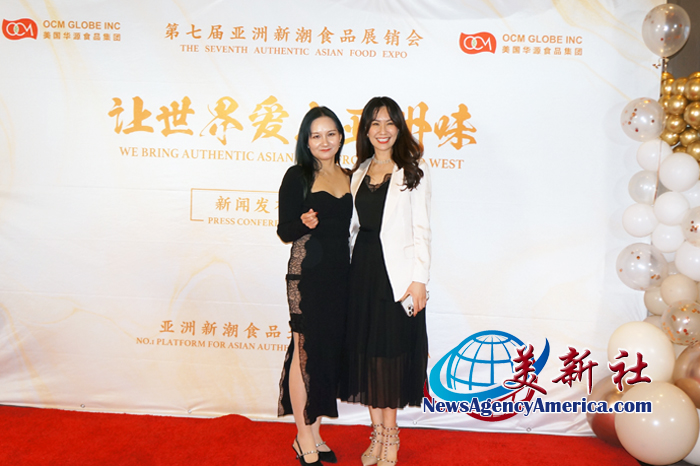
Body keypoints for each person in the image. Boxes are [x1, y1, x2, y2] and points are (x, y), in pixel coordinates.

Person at [339, 96, 431, 466]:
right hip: (361, 272)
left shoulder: (413, 171)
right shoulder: (358, 172)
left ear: (399, 128)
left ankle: (391, 436)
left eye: (389, 123)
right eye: (375, 123)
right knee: (366, 354)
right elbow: (351, 227)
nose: (382, 130)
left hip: (396, 277)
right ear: (365, 130)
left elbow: (422, 229)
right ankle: (376, 434)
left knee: (388, 356)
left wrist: (419, 280)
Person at [277, 106, 352, 466]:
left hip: (341, 276)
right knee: (304, 351)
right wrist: (303, 223)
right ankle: (303, 437)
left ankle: (316, 432)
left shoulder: (351, 175)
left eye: (331, 134)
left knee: (326, 355)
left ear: (341, 137)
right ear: (306, 142)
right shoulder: (298, 176)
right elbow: (284, 230)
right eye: (316, 135)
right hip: (307, 275)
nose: (324, 141)